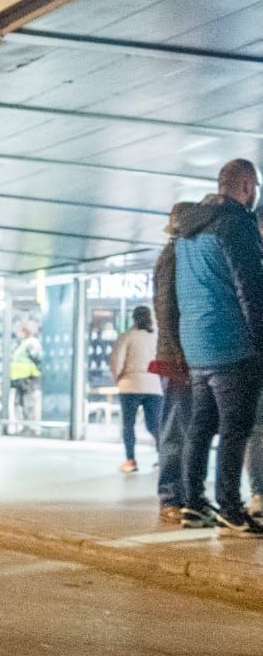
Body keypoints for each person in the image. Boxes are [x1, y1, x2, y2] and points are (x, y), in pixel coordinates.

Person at [171, 159, 263, 535]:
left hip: (197, 345)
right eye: (254, 187)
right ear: (244, 185)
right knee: (235, 429)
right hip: (232, 344)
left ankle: (193, 504)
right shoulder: (236, 223)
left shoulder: (187, 230)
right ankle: (230, 507)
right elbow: (250, 287)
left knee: (201, 427)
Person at [152, 203, 196, 524]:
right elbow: (165, 309)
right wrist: (178, 353)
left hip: (185, 356)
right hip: (177, 359)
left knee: (186, 427)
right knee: (176, 427)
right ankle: (170, 495)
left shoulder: (184, 256)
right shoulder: (172, 257)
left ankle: (183, 494)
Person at [108, 305, 162, 473]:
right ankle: (163, 459)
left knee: (128, 424)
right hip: (154, 385)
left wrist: (117, 377)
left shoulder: (127, 337)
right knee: (154, 424)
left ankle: (130, 460)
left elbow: (117, 361)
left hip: (130, 384)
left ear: (133, 318)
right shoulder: (156, 338)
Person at [8, 323, 43, 433]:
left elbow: (37, 359)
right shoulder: (22, 344)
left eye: (20, 331)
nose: (18, 334)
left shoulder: (31, 343)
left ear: (25, 331)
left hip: (28, 379)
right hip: (19, 379)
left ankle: (30, 428)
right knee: (19, 404)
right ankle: (23, 426)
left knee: (28, 404)